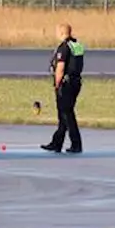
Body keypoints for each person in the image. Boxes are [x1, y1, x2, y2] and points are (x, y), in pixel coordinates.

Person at [41, 23, 85, 154]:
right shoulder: (77, 45)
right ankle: (57, 143)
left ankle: (76, 144)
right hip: (76, 82)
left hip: (66, 84)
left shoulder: (64, 48)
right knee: (64, 114)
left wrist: (57, 84)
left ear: (61, 33)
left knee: (67, 114)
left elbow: (60, 68)